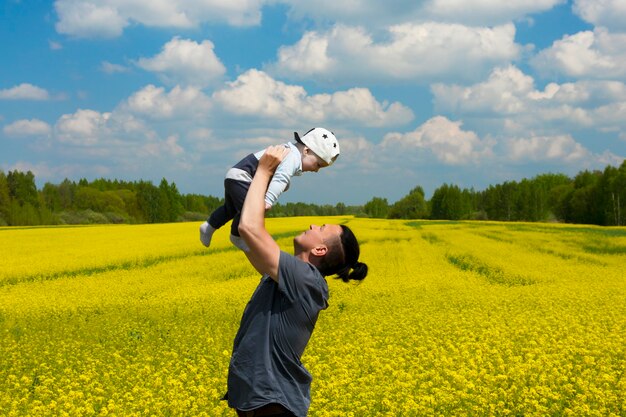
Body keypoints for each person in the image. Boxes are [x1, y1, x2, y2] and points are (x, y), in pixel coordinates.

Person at [224, 145, 368, 417]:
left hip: (274, 404)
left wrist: (263, 172)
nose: (314, 226)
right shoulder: (287, 275)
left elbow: (249, 228)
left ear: (320, 250)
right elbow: (247, 240)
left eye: (321, 229)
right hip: (257, 401)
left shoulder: (306, 279)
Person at [200, 128, 340, 251]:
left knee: (229, 209)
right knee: (250, 212)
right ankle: (236, 236)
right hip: (244, 178)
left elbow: (279, 176)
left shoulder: (289, 152)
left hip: (235, 176)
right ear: (307, 150)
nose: (316, 170)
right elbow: (281, 178)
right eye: (318, 165)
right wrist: (268, 200)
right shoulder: (292, 157)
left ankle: (209, 226)